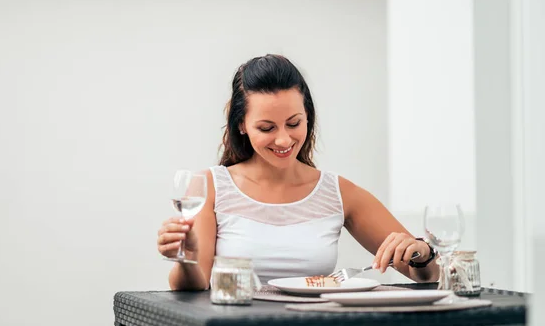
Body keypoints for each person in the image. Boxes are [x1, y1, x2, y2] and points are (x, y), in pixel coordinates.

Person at [157, 54, 439, 290]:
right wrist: (186, 257)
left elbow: (427, 276)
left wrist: (421, 252)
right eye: (266, 128)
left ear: (308, 117)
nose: (283, 140)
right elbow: (194, 285)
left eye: (293, 123)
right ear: (241, 124)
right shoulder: (211, 186)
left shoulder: (338, 193)